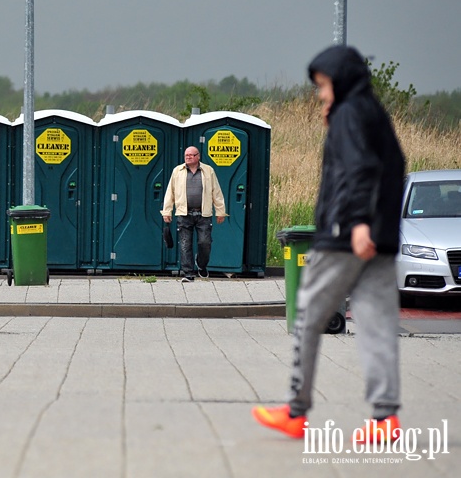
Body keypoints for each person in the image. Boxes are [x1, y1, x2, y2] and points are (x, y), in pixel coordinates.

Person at [252, 44, 406, 445]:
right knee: (376, 326)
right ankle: (385, 418)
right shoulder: (372, 113)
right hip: (380, 240)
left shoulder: (349, 113)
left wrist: (355, 223)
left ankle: (295, 411)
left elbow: (359, 170)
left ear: (340, 81)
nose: (320, 94)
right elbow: (391, 167)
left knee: (307, 317)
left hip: (343, 237)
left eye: (323, 85)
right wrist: (375, 227)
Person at [161, 146, 226, 282]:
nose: (188, 157)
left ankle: (201, 264)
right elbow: (170, 192)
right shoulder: (177, 171)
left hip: (204, 213)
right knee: (185, 244)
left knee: (205, 243)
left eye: (191, 155)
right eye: (186, 155)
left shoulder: (208, 171)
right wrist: (167, 211)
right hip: (184, 213)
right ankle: (188, 273)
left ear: (198, 156)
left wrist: (220, 211)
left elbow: (216, 191)